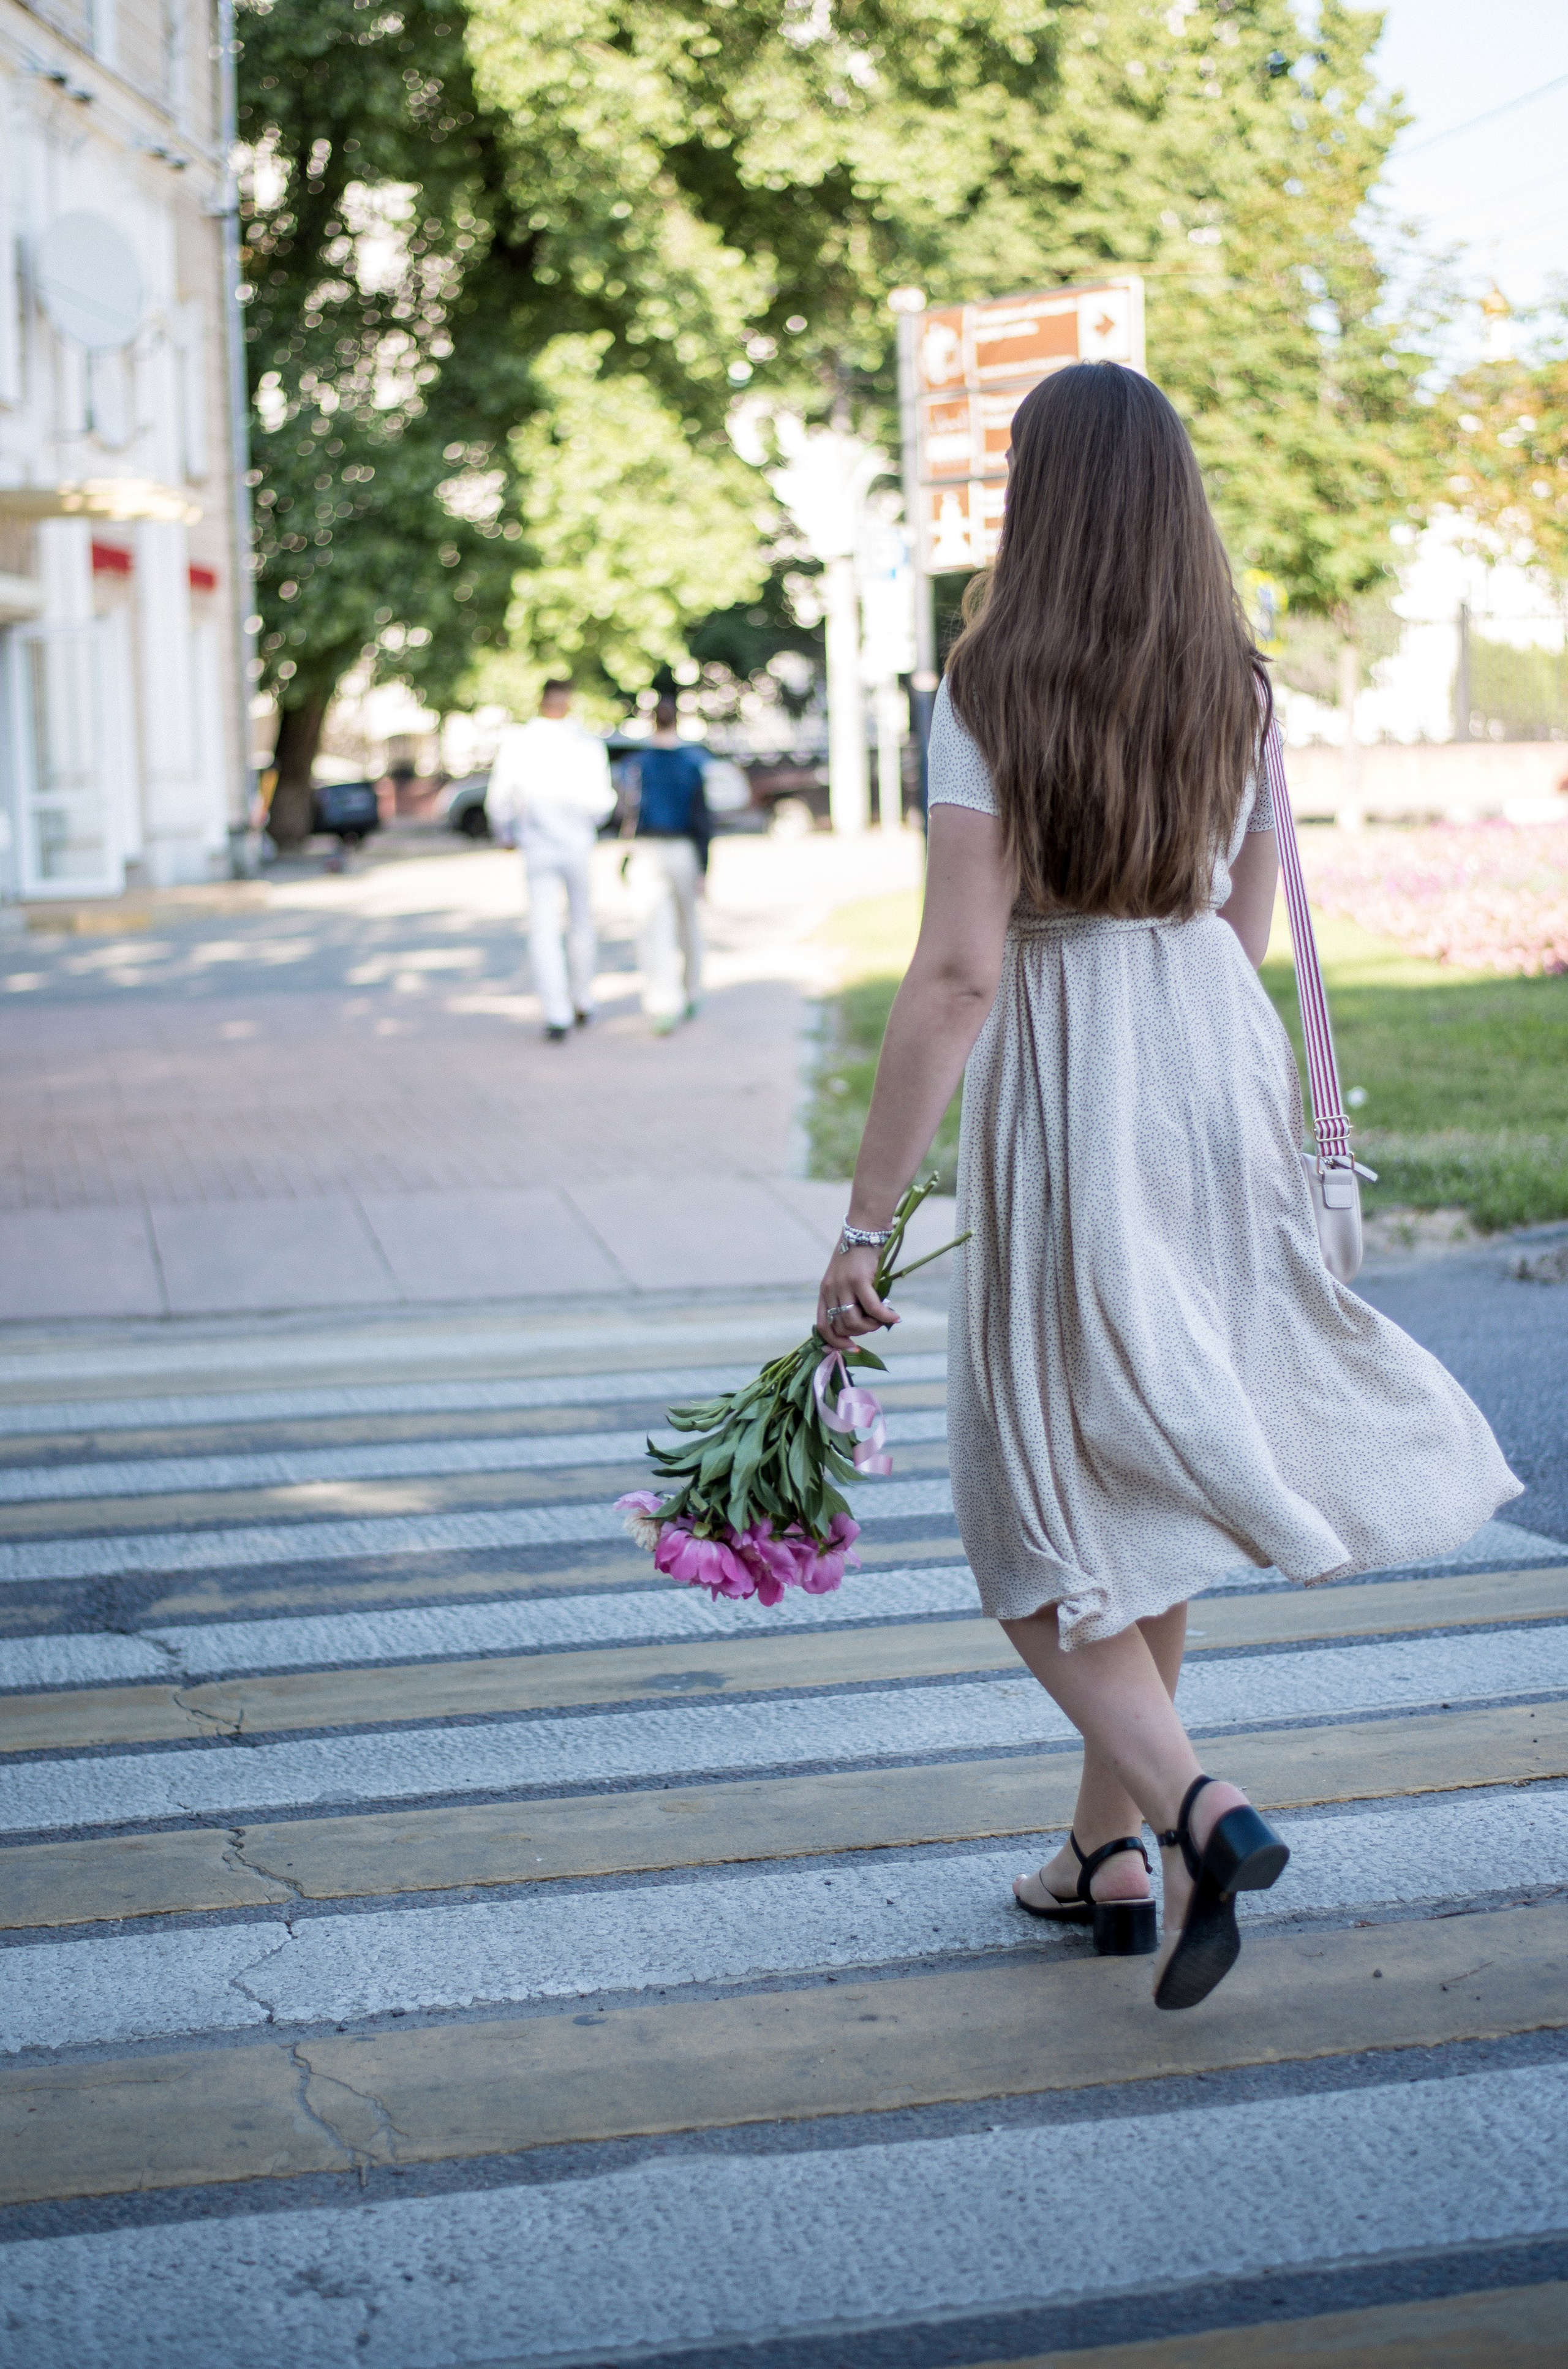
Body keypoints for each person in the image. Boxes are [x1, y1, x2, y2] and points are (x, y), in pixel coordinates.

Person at [816, 363, 1518, 2013]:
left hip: (1078, 1077)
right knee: (1142, 1461)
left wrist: (864, 1223)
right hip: (1214, 1064)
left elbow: (960, 973)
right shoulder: (1241, 683)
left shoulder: (992, 683)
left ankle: (1199, 1809)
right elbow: (1244, 931)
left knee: (1031, 1512)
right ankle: (1104, 1856)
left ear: (1038, 497)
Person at [486, 680, 615, 1043]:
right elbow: (603, 804)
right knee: (581, 923)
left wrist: (506, 835)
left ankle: (557, 1011)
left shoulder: (521, 743)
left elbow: (499, 800)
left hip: (539, 846)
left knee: (545, 930)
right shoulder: (587, 745)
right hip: (577, 844)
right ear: (570, 703)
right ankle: (583, 999)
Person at [626, 695, 712, 1036]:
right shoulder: (693, 762)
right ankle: (692, 992)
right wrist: (705, 866)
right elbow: (703, 818)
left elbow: (628, 813)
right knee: (688, 924)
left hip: (648, 849)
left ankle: (663, 1004)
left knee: (653, 929)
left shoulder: (638, 764)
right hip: (684, 849)